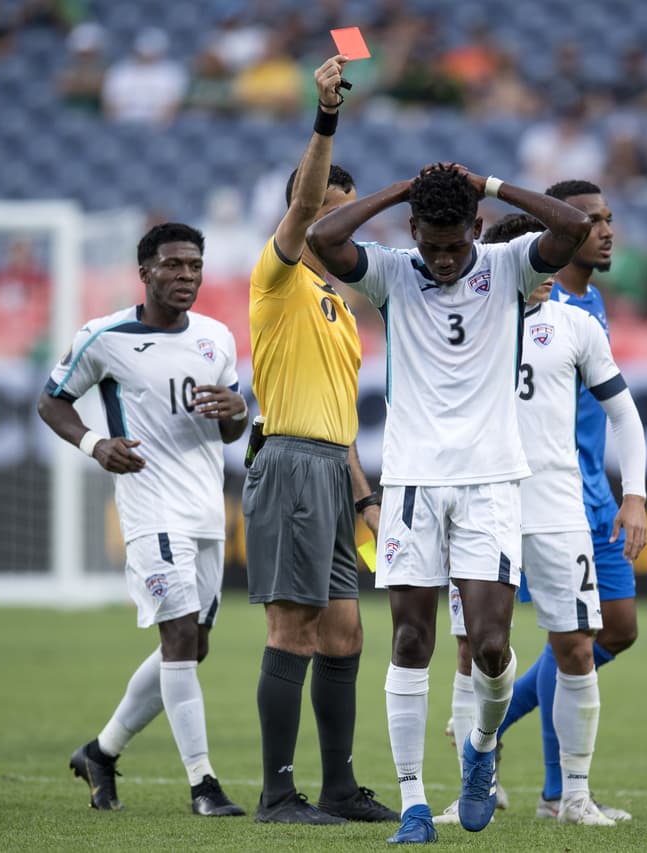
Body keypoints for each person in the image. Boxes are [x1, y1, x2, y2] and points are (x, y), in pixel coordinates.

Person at [306, 163, 592, 842]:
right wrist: (405, 188)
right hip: (411, 483)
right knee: (411, 638)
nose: (440, 259)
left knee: (491, 646)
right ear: (412, 232)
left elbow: (573, 226)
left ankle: (480, 750)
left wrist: (486, 184)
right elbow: (321, 236)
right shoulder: (394, 270)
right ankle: (411, 804)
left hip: (492, 481)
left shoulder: (509, 264)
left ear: (478, 230)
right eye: (429, 244)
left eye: (453, 244)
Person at [435, 212, 647, 828]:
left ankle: (572, 796)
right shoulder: (461, 324)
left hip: (558, 510)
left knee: (577, 646)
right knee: (473, 649)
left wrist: (632, 494)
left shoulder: (577, 326)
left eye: (550, 257)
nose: (546, 271)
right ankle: (475, 787)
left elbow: (625, 416)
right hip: (479, 507)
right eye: (534, 259)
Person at [38, 222, 247, 818]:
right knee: (179, 636)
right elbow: (50, 400)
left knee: (196, 645)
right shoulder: (104, 337)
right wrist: (94, 445)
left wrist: (238, 411)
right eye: (174, 266)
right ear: (145, 272)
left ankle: (101, 752)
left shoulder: (215, 337)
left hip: (206, 509)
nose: (186, 277)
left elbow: (229, 426)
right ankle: (203, 785)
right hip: (149, 506)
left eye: (194, 267)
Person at [242, 55, 397, 827]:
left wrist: (364, 496)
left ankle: (338, 788)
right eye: (337, 211)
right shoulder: (277, 273)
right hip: (289, 462)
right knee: (293, 627)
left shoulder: (339, 303)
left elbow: (342, 417)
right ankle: (277, 793)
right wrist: (326, 116)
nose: (343, 226)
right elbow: (307, 203)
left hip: (333, 469)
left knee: (344, 628)